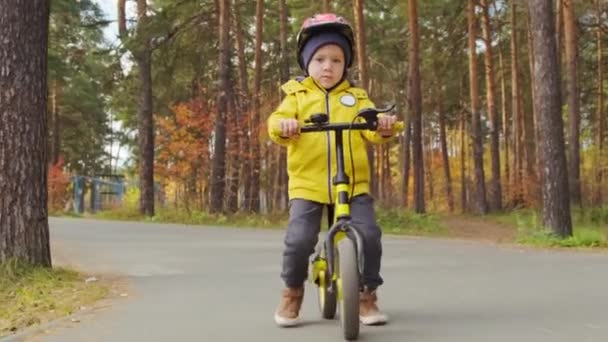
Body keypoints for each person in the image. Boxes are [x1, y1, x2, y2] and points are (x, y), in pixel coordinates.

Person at [267, 13, 398, 328]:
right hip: (308, 184)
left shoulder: (356, 97)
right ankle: (292, 292)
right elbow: (274, 124)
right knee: (299, 240)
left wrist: (382, 125)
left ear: (346, 64)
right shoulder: (296, 96)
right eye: (321, 59)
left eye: (337, 60)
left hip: (352, 183)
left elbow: (371, 129)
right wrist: (284, 126)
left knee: (368, 235)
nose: (328, 66)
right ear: (307, 62)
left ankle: (366, 296)